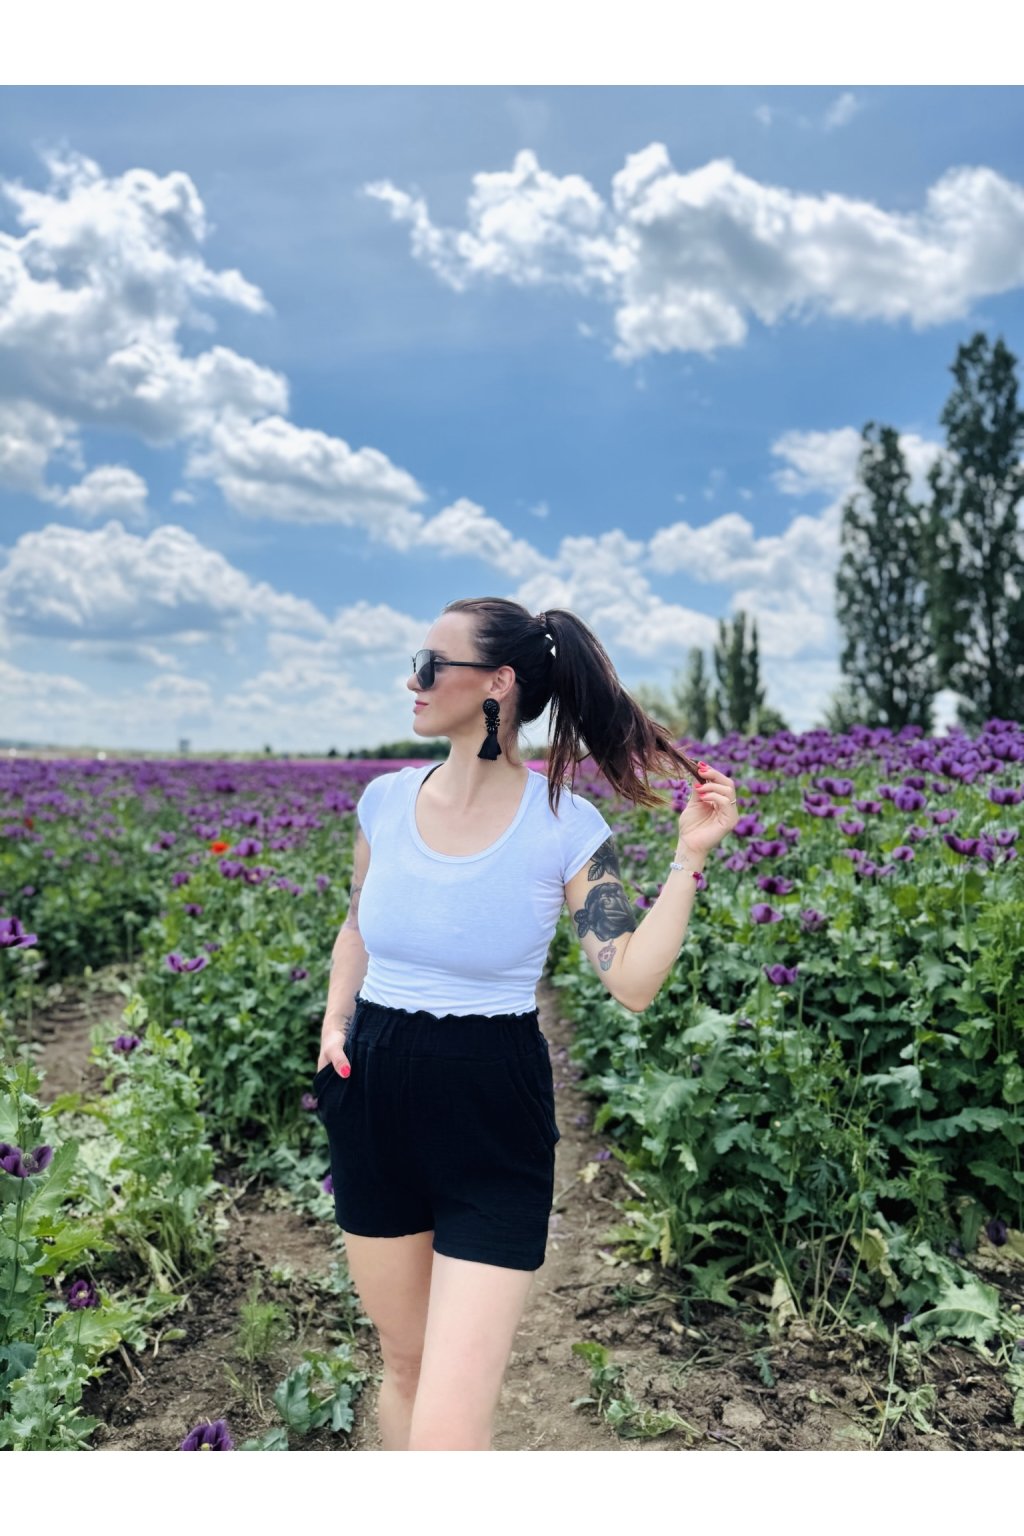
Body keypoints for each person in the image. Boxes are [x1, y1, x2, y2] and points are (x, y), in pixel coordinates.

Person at [313, 597, 738, 1451]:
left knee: (449, 1423)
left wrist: (688, 859)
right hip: (372, 1096)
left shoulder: (566, 826)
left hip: (490, 1110)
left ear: (497, 682)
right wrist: (335, 1024)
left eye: (430, 665)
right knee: (404, 1368)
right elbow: (357, 923)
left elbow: (632, 980)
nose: (412, 680)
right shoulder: (383, 803)